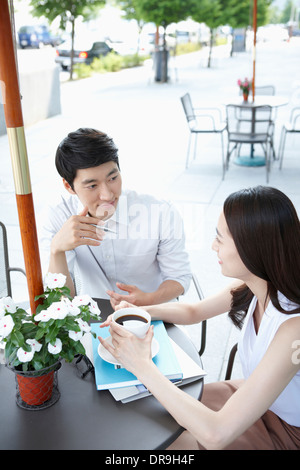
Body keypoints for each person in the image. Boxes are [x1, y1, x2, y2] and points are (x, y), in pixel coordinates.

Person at [100, 186, 300, 450]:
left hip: (286, 430)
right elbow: (192, 312)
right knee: (149, 412)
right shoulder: (254, 287)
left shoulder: (293, 328)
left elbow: (216, 436)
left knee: (165, 445)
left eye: (220, 238)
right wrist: (139, 311)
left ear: (252, 246)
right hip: (253, 398)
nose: (212, 246)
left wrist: (141, 364)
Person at [41, 128, 191, 305]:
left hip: (152, 313)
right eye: (92, 186)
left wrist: (147, 299)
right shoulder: (60, 216)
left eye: (112, 178)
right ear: (69, 186)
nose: (107, 195)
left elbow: (179, 278)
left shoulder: (160, 212)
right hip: (93, 318)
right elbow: (60, 300)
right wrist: (56, 250)